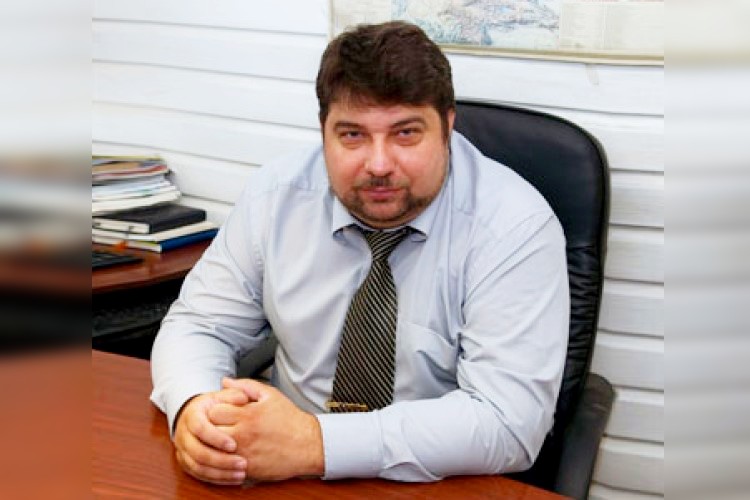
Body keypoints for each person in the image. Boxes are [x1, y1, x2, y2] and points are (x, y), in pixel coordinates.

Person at [150, 21, 568, 486]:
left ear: (447, 127)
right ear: (323, 131)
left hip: (439, 482)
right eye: (352, 135)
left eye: (406, 133)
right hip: (282, 473)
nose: (379, 164)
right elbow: (198, 324)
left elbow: (508, 422)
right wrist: (197, 408)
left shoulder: (513, 227)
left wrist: (315, 442)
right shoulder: (276, 197)